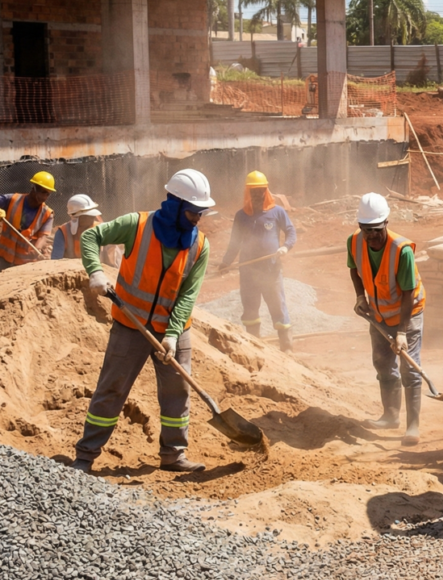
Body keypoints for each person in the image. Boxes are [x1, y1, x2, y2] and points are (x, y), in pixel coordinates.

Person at [73, 169, 216, 474]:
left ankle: (173, 454)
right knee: (111, 389)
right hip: (130, 324)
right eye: (193, 212)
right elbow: (91, 236)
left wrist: (173, 334)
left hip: (174, 331)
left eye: (201, 213)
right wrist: (96, 272)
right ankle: (85, 456)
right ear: (175, 204)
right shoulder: (136, 225)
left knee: (178, 393)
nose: (197, 219)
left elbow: (188, 295)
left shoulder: (199, 246)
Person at [348, 192, 426, 446]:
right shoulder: (354, 242)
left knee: (409, 366)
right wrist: (361, 297)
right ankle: (391, 415)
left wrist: (402, 332)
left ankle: (412, 425)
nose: (372, 236)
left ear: (386, 224)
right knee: (382, 363)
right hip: (378, 314)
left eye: (377, 229)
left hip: (408, 314)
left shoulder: (401, 250)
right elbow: (354, 269)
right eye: (367, 230)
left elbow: (407, 293)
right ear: (360, 227)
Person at [219, 171, 297, 351]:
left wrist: (285, 247)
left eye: (260, 190)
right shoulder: (241, 216)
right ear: (247, 192)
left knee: (277, 306)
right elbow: (234, 242)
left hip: (271, 270)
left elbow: (291, 232)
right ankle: (254, 346)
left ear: (266, 190)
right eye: (253, 191)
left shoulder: (277, 212)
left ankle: (286, 347)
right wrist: (226, 262)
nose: (257, 194)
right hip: (248, 272)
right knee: (250, 308)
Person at [0, 171, 56, 270]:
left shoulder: (47, 214)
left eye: (48, 194)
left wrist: (37, 249)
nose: (45, 197)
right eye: (43, 192)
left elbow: (43, 236)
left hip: (24, 262)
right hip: (3, 257)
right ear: (34, 188)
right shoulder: (12, 199)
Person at [52, 194, 121, 267]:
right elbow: (56, 263)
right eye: (89, 215)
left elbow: (114, 266)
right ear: (77, 217)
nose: (93, 217)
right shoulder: (63, 232)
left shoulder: (104, 231)